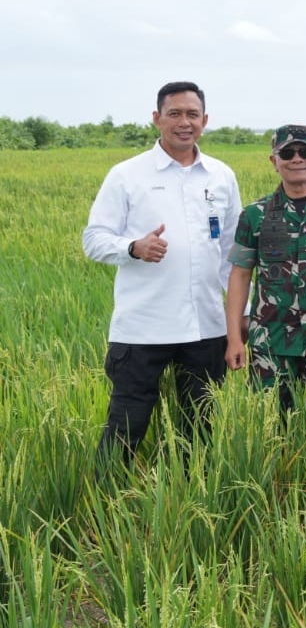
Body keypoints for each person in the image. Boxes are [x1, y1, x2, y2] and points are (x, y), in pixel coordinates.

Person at [83, 81, 241, 465]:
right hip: (143, 328)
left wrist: (242, 318)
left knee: (199, 431)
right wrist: (133, 247)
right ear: (157, 119)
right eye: (174, 114)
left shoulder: (221, 176)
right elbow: (93, 239)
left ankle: (188, 494)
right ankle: (107, 495)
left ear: (205, 120)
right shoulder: (127, 174)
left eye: (192, 114)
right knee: (126, 427)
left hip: (205, 328)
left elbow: (231, 255)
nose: (184, 122)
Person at [224, 125, 306, 411]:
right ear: (274, 161)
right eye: (287, 153)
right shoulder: (255, 215)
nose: (297, 159)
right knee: (269, 423)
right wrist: (234, 338)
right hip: (271, 343)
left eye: (305, 151)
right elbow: (240, 275)